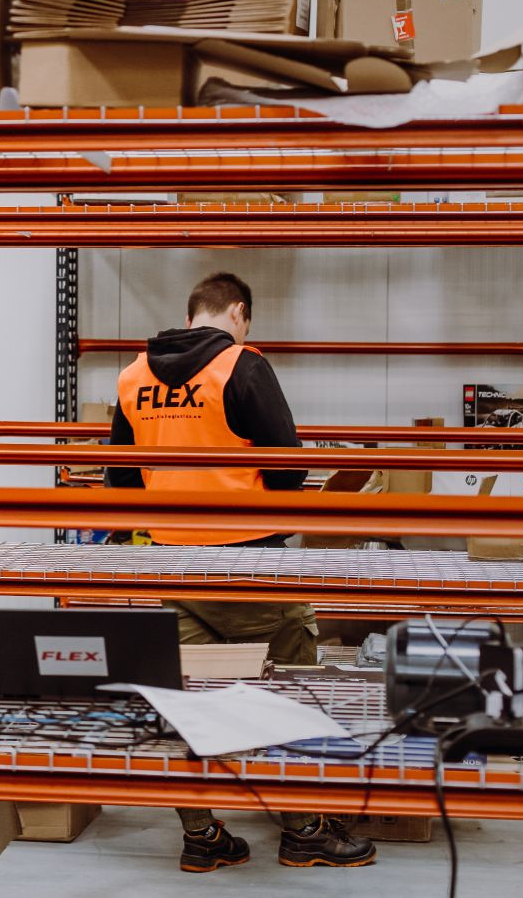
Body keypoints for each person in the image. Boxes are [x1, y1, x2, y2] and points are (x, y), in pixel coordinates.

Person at [106, 272, 377, 872]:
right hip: (251, 562)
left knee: (188, 702)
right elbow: (287, 468)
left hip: (170, 564)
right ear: (237, 311)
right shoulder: (241, 365)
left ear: (189, 313)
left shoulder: (133, 375)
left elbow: (120, 481)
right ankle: (304, 829)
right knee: (291, 692)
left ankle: (202, 838)